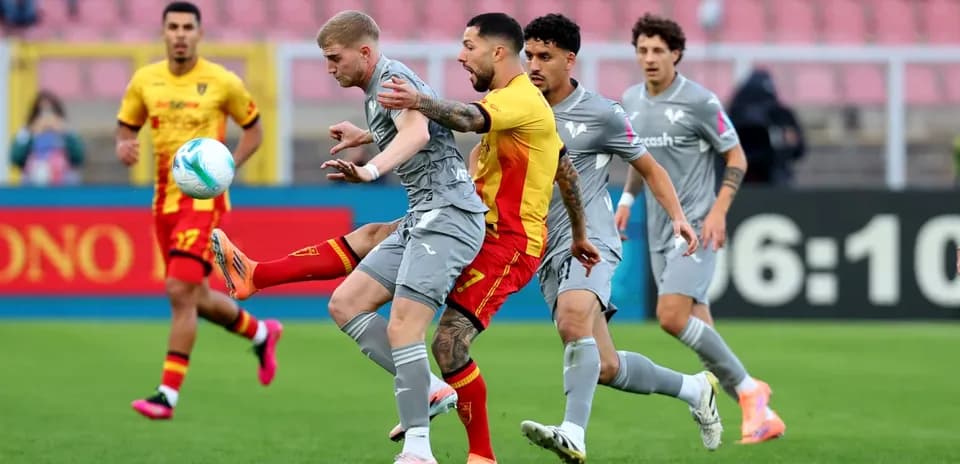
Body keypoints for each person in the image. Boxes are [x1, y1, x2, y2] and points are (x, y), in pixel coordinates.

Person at [515, 14, 722, 463]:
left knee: (573, 319)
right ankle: (694, 389)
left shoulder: (602, 113)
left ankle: (573, 433)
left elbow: (650, 167)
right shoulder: (516, 106)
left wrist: (678, 217)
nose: (534, 65)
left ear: (569, 60)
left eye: (545, 56)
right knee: (605, 366)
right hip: (544, 248)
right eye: (528, 55)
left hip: (591, 241)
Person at [309, 11, 492, 464]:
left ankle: (418, 450)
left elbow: (417, 132)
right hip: (423, 217)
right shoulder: (379, 90)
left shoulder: (392, 80)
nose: (329, 68)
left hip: (449, 216)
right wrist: (368, 135)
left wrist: (371, 169)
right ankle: (428, 388)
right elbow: (408, 125)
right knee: (346, 303)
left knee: (403, 326)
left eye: (335, 58)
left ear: (364, 52)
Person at [614, 13, 786, 444]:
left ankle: (751, 391)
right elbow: (641, 160)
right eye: (642, 50)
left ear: (676, 54)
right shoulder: (631, 99)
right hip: (660, 229)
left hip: (695, 227)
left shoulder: (700, 102)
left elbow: (737, 157)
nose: (649, 58)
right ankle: (760, 413)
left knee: (671, 318)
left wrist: (718, 211)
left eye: (658, 50)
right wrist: (627, 200)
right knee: (701, 331)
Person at [115, 1, 281, 421]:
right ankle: (262, 332)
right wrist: (124, 143)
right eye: (173, 27)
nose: (180, 34)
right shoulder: (145, 81)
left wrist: (229, 167)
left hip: (204, 204)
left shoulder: (223, 82)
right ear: (164, 32)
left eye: (188, 27)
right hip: (163, 204)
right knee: (195, 296)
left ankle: (166, 395)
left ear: (199, 34)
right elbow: (127, 125)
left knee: (178, 290)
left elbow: (255, 129)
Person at [727, 69, 805, 185]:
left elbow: (798, 149)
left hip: (773, 177)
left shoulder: (781, 116)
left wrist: (782, 143)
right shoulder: (734, 116)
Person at [10, 90, 85, 186]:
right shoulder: (26, 132)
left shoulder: (67, 131)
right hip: (33, 186)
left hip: (63, 187)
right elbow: (15, 158)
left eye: (51, 111)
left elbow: (78, 157)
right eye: (41, 112)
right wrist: (32, 134)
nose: (46, 118)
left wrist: (63, 133)